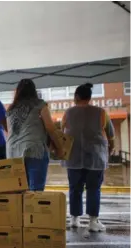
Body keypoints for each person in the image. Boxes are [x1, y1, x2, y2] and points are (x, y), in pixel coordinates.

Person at [61, 83, 114, 232]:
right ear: (89, 97)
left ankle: (75, 219)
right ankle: (93, 221)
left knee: (75, 188)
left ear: (76, 96)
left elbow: (62, 133)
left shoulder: (68, 113)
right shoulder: (101, 112)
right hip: (96, 157)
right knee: (93, 188)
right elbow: (111, 134)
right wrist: (111, 147)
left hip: (73, 157)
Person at [6, 79, 64, 191]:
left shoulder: (11, 108)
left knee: (19, 191)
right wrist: (59, 148)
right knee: (35, 192)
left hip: (13, 152)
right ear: (34, 90)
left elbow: (9, 130)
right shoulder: (40, 104)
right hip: (34, 149)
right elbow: (50, 127)